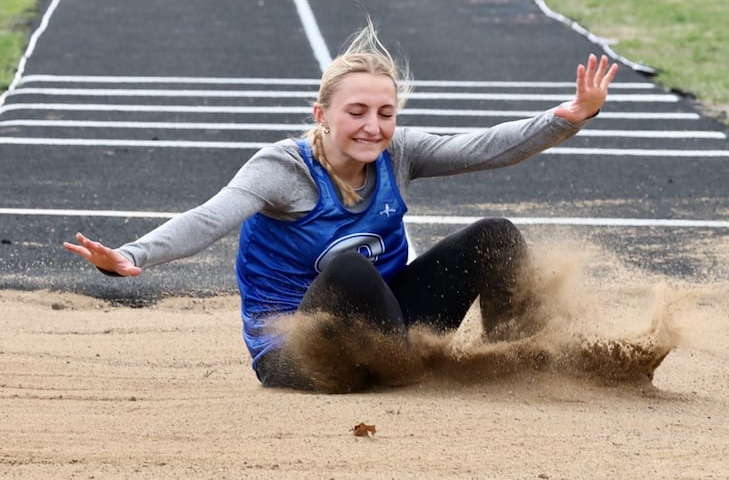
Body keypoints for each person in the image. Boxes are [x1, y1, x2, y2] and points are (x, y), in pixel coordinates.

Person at [64, 20, 618, 392]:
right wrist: (132, 254)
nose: (373, 127)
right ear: (321, 113)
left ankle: (524, 362)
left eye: (385, 112)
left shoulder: (396, 153)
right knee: (349, 268)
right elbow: (210, 217)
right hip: (300, 353)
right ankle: (405, 371)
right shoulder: (282, 170)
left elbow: (481, 148)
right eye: (356, 111)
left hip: (388, 332)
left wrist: (568, 116)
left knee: (493, 234)